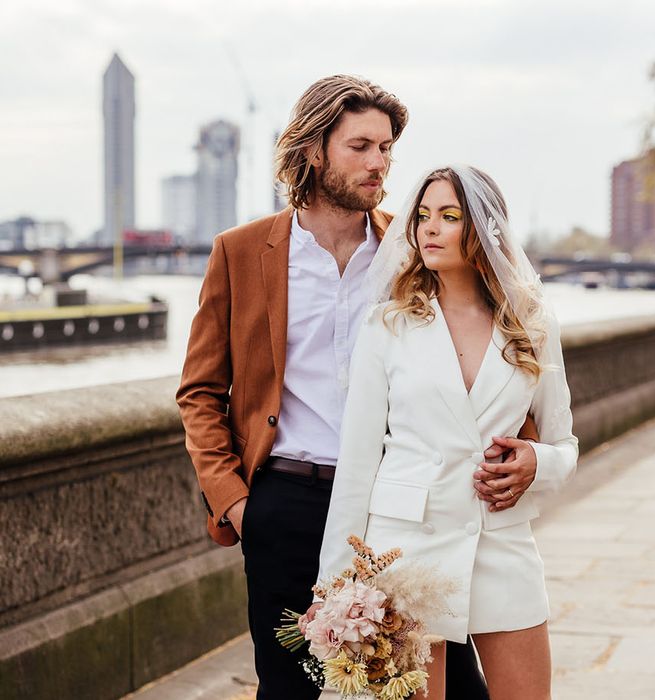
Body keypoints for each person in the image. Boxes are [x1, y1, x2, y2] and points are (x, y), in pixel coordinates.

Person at [176, 77, 533, 699]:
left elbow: (491, 353)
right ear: (315, 151)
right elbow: (201, 391)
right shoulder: (239, 253)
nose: (380, 163)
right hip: (286, 502)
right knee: (293, 687)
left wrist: (529, 447)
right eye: (361, 146)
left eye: (387, 147)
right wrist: (237, 502)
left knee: (436, 685)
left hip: (401, 509)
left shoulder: (415, 251)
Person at [316, 165, 579, 699]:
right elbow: (358, 463)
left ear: (483, 229)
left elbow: (564, 443)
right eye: (423, 216)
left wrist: (537, 462)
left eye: (449, 216)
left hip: (500, 542)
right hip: (407, 553)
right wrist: (335, 587)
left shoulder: (532, 323)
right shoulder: (386, 324)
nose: (429, 228)